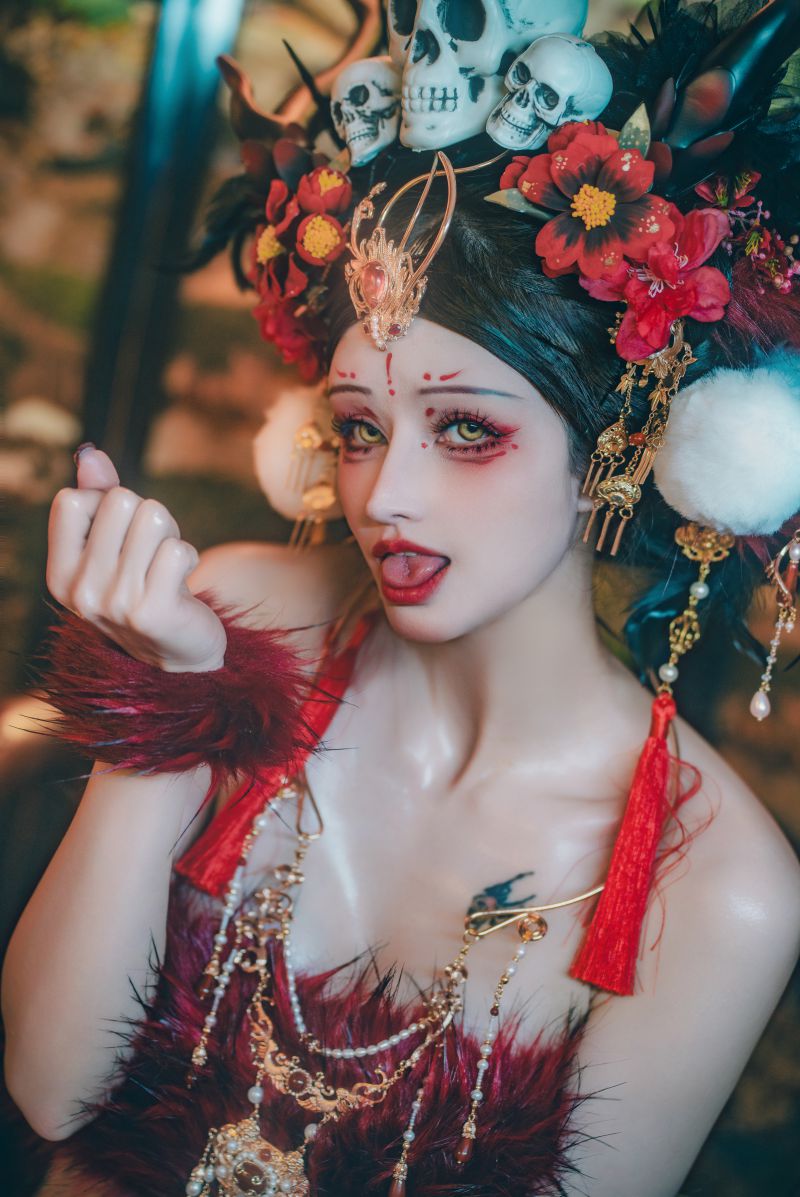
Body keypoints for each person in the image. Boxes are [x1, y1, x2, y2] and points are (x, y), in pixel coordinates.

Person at [3, 2, 800, 1195]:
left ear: (615, 446)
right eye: (359, 429)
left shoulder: (719, 886)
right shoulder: (239, 620)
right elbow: (53, 1088)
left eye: (466, 429)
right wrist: (164, 707)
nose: (385, 496)